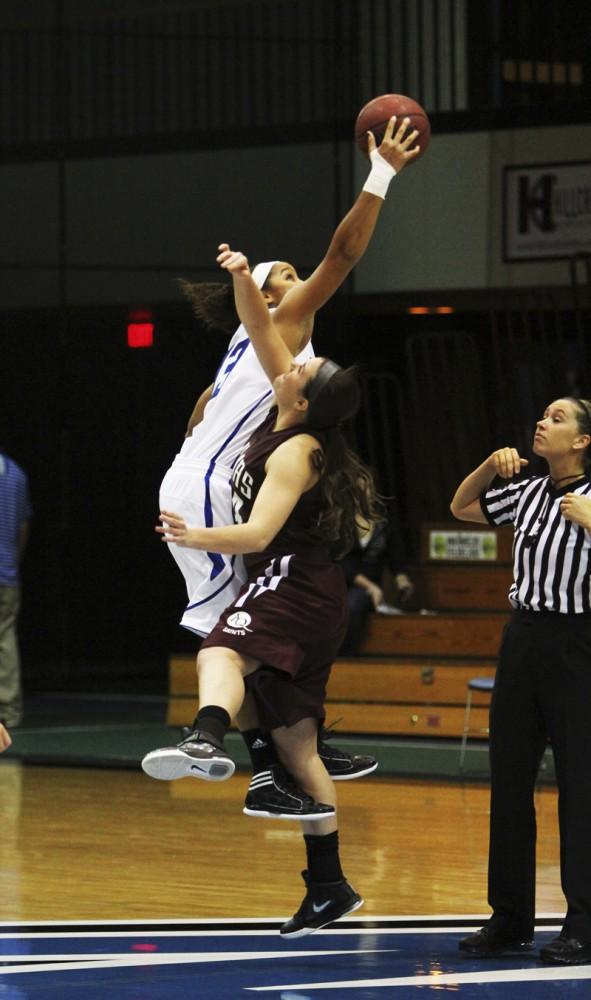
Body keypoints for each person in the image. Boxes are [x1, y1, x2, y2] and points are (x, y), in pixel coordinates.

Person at [157, 115, 420, 800]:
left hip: (198, 480)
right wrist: (381, 172)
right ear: (271, 299)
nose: (301, 281)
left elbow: (200, 416)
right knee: (232, 636)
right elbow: (343, 256)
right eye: (287, 277)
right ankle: (242, 750)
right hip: (207, 494)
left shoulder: (255, 362)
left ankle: (289, 747)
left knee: (263, 621)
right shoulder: (283, 326)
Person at [142, 237, 391, 934]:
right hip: (306, 591)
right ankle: (329, 885)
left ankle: (210, 738)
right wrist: (247, 281)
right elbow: (253, 333)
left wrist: (194, 535)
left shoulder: (297, 446)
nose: (295, 362)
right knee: (300, 748)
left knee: (218, 651)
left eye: (302, 367)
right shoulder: (280, 414)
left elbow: (252, 539)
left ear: (303, 391)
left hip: (293, 586)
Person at [450, 396, 591, 967]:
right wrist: (488, 466)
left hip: (580, 642)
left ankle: (583, 923)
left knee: (581, 787)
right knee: (509, 782)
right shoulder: (528, 490)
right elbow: (460, 507)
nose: (542, 422)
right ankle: (509, 918)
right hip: (523, 638)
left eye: (558, 419)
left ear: (583, 440)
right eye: (543, 415)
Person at [339, 498, 415, 655]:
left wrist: (402, 580)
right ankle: (340, 660)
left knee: (354, 603)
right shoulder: (340, 521)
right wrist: (371, 587)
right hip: (341, 581)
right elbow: (341, 562)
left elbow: (397, 559)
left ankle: (348, 659)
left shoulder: (384, 523)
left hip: (367, 587)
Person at [0, 451, 31, 729]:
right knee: (4, 640)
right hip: (7, 572)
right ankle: (8, 711)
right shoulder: (15, 473)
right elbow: (22, 527)